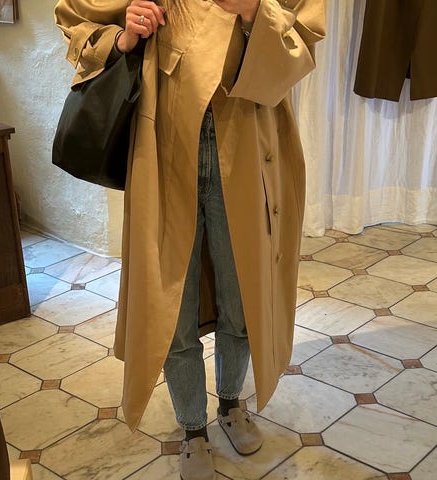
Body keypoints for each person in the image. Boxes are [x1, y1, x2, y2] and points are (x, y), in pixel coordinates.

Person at [55, 1, 325, 478]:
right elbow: (77, 15)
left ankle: (231, 402)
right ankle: (193, 427)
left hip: (247, 133)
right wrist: (123, 36)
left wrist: (253, 11)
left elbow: (303, 37)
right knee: (170, 300)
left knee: (243, 293)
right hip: (164, 137)